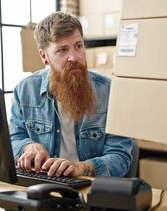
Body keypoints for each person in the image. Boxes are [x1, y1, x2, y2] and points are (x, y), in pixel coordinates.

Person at [9, 11, 133, 178]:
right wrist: (28, 146)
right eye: (62, 50)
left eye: (78, 46)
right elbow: (15, 138)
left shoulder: (110, 92)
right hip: (43, 181)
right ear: (44, 56)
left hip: (90, 185)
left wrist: (82, 168)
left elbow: (121, 157)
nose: (74, 57)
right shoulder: (25, 90)